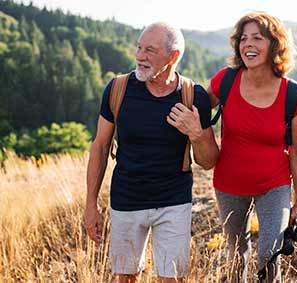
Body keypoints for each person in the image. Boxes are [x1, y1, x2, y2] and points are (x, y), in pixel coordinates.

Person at [170, 11, 297, 283]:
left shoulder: (293, 95)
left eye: (257, 38)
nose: (248, 44)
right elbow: (194, 107)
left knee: (269, 254)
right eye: (243, 38)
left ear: (274, 45)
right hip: (229, 184)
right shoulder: (226, 81)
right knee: (237, 255)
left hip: (274, 184)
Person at [84, 22, 219, 283]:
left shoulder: (193, 96)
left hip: (174, 202)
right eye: (139, 47)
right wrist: (91, 205)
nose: (139, 56)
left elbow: (209, 161)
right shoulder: (117, 90)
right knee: (126, 277)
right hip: (126, 199)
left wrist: (196, 132)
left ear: (173, 56)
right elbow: (100, 147)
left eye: (150, 50)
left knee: (172, 279)